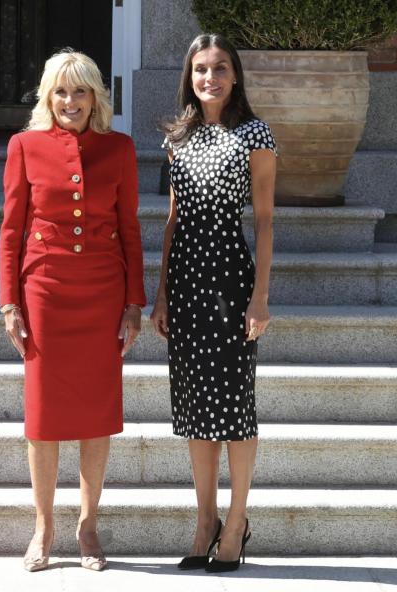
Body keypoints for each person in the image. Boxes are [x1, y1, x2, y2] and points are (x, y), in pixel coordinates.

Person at [0, 49, 146, 572]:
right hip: (45, 290)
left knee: (95, 414)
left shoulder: (119, 149)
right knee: (42, 416)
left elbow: (130, 229)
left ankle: (87, 525)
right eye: (60, 92)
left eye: (80, 91)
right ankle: (44, 525)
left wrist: (134, 304)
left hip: (103, 291)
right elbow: (11, 230)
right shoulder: (24, 146)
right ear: (47, 97)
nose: (70, 101)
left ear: (95, 98)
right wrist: (9, 302)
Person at [151, 33, 276, 573]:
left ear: (235, 75)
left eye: (220, 68)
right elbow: (173, 221)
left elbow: (266, 221)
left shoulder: (255, 134)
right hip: (185, 286)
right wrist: (159, 294)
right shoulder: (177, 137)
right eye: (201, 69)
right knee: (196, 410)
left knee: (234, 409)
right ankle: (204, 521)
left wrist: (261, 297)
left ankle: (237, 520)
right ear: (190, 76)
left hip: (230, 282)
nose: (210, 78)